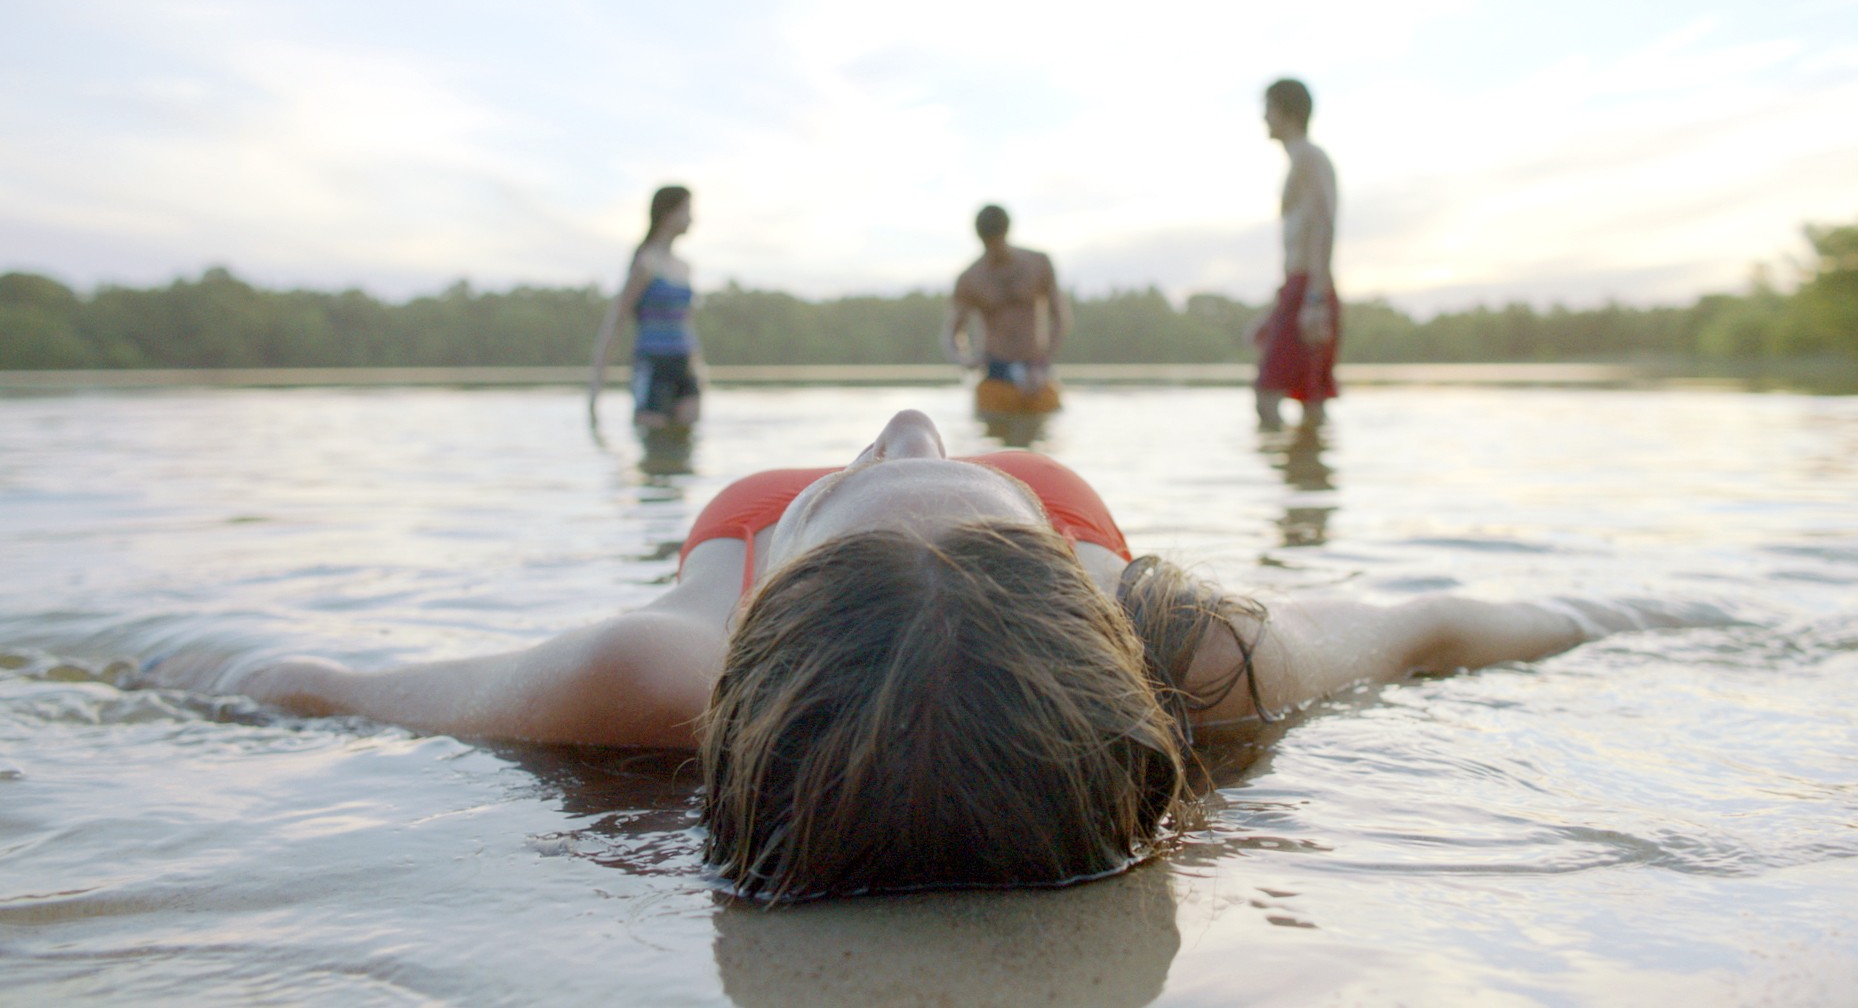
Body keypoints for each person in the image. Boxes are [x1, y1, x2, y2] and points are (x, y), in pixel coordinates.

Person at [147, 408, 1683, 904]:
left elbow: (299, 684)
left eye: (907, 456)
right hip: (1007, 539)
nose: (904, 420)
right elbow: (1442, 623)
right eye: (910, 452)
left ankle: (916, 519)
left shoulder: (661, 672)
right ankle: (981, 514)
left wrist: (123, 656)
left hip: (803, 531)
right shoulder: (1206, 654)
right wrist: (1648, 618)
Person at [1252, 78, 1340, 430]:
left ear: (1286, 112)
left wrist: (1314, 298)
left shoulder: (1308, 157)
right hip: (1300, 286)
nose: (1264, 118)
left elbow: (1323, 223)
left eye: (1268, 109)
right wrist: (1277, 308)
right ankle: (1307, 459)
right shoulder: (1298, 160)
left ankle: (1300, 461)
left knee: (1270, 397)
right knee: (1310, 400)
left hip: (1309, 288)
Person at [589, 185, 700, 429]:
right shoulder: (645, 263)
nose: (692, 218)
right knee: (653, 439)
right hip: (653, 364)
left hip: (683, 364)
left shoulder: (684, 267)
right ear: (667, 213)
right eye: (686, 210)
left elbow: (687, 323)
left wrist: (698, 369)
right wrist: (596, 391)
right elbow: (615, 321)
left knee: (686, 440)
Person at [946, 205, 1068, 415]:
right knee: (991, 428)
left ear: (1007, 231)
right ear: (979, 238)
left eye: (998, 240)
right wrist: (965, 360)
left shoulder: (1038, 264)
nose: (994, 248)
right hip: (994, 374)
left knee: (1045, 426)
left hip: (1036, 371)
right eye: (988, 242)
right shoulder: (970, 278)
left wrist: (1041, 365)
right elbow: (951, 333)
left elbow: (1060, 319)